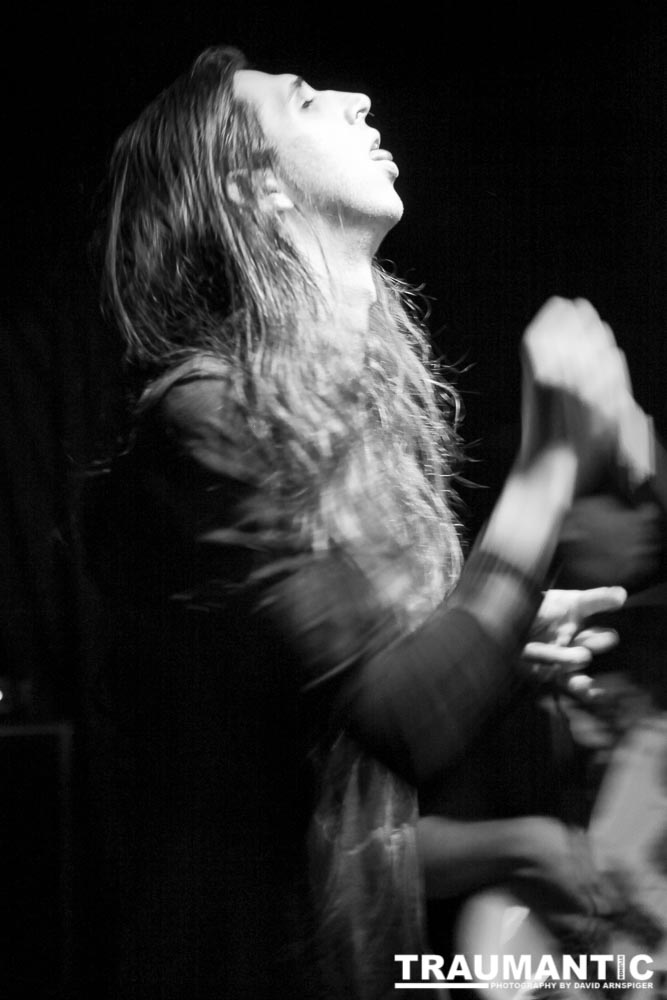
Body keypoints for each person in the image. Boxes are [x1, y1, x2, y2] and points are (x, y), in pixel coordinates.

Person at [82, 45, 646, 1000]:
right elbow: (406, 722)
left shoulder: (325, 421)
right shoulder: (202, 418)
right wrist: (550, 457)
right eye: (306, 101)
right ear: (254, 188)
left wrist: (486, 644)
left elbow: (350, 782)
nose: (359, 98)